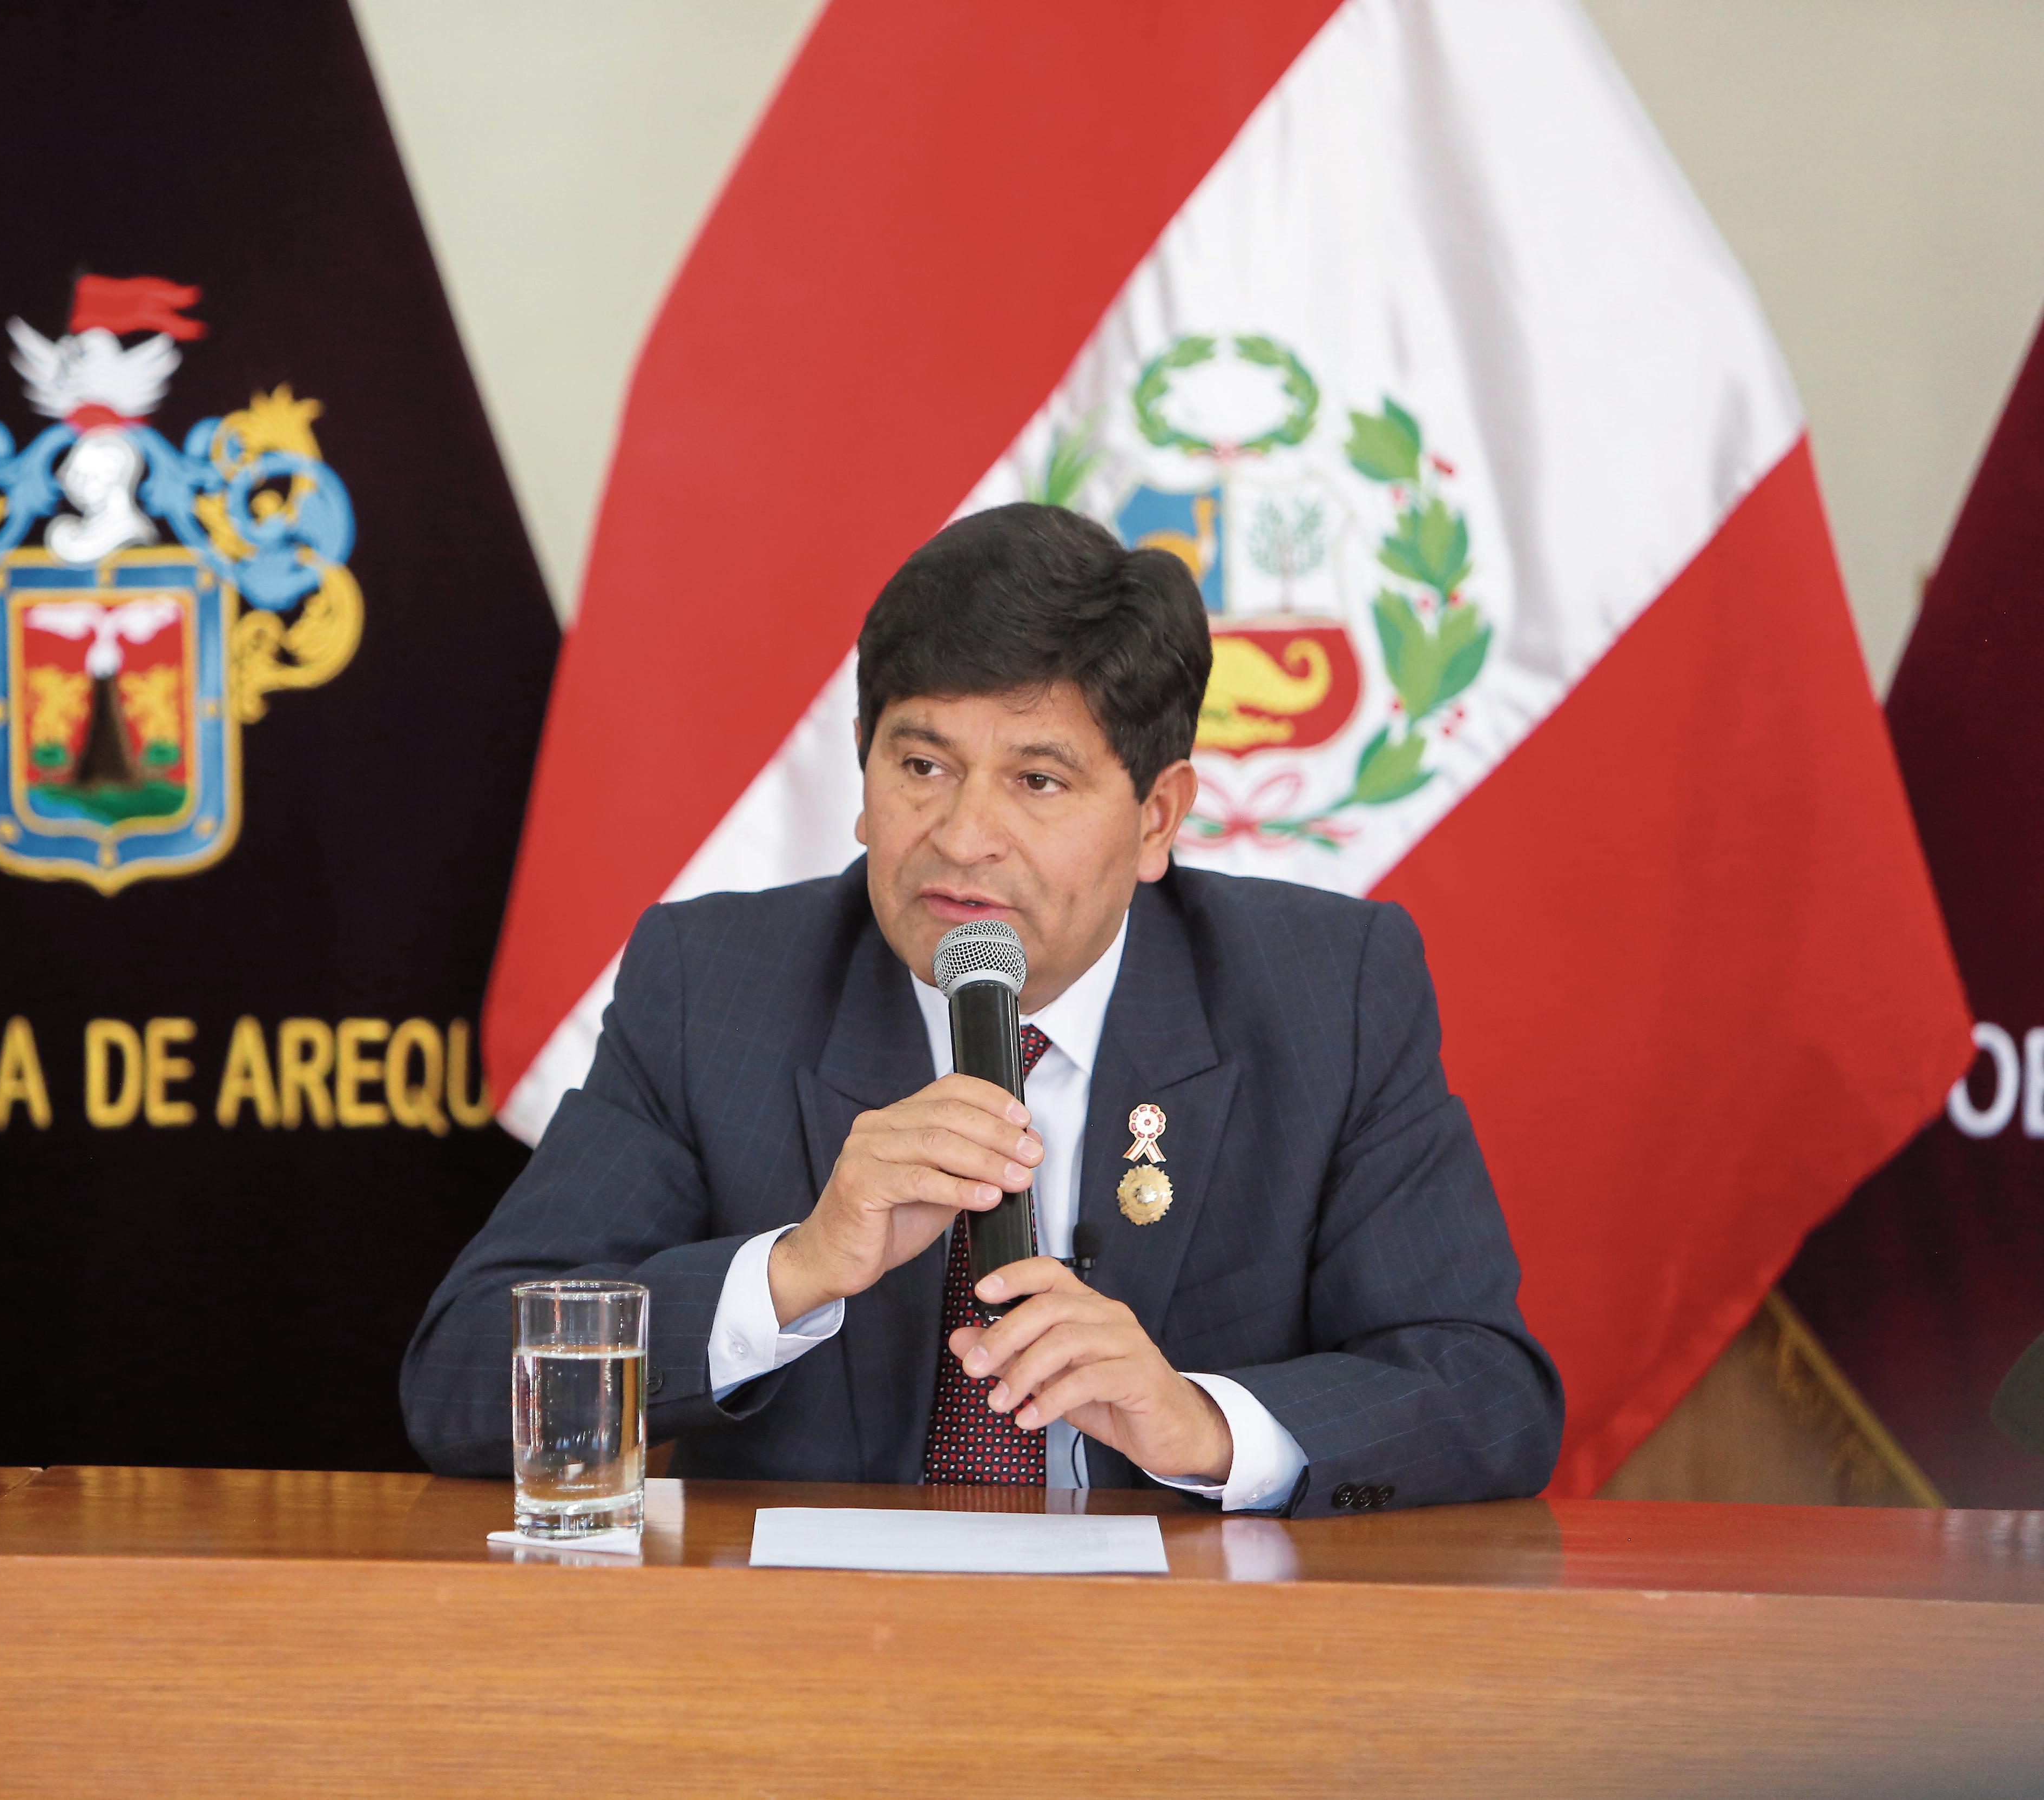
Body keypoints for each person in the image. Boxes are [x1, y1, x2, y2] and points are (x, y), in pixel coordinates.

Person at [405, 503, 1560, 1514]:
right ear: (862, 780)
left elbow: (1486, 1392)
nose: (961, 836)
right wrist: (792, 1270)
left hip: (1182, 1681)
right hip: (813, 1671)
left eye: (1038, 780)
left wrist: (1202, 1423)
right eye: (921, 766)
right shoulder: (717, 984)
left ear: (1158, 817)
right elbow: (462, 1378)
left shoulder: (1326, 992)